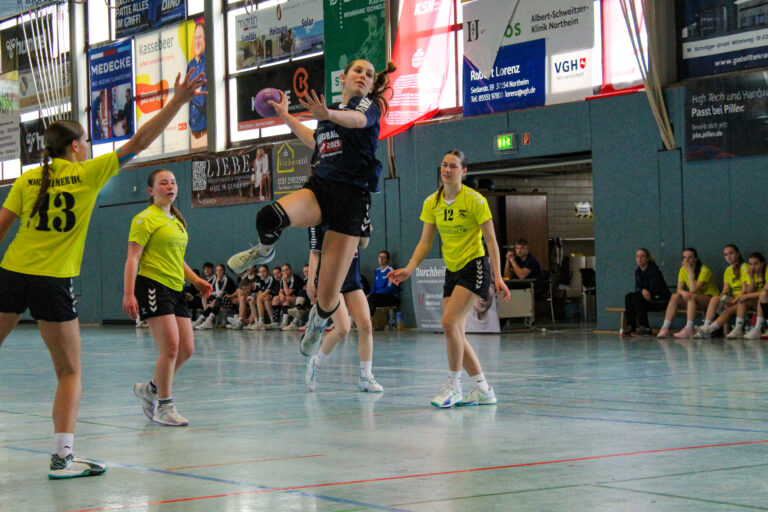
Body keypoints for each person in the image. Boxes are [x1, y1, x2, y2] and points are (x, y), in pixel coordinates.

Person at [0, 67, 205, 478]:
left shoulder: (26, 180)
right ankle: (62, 459)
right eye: (87, 142)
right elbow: (140, 141)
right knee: (69, 372)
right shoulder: (88, 173)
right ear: (76, 147)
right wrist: (178, 101)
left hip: (10, 274)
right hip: (52, 281)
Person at [227, 58, 396, 357]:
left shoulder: (366, 108)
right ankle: (264, 251)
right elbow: (315, 141)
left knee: (328, 297)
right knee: (268, 217)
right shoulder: (329, 112)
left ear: (372, 85)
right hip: (321, 188)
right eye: (358, 71)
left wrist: (327, 114)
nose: (363, 76)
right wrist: (284, 114)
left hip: (351, 201)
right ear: (343, 77)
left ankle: (318, 322)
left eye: (369, 74)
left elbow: (356, 122)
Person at [388, 149, 510, 408]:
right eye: (444, 165)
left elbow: (491, 241)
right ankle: (483, 389)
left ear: (463, 172)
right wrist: (409, 268)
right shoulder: (432, 202)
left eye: (453, 166)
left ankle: (454, 387)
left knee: (448, 323)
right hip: (451, 269)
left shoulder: (475, 201)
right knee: (456, 333)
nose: (447, 170)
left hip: (474, 266)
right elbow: (425, 242)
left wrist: (498, 277)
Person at [123, 169, 213, 426]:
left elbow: (176, 260)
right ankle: (164, 406)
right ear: (151, 190)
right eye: (163, 183)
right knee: (171, 347)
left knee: (186, 349)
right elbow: (133, 258)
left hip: (175, 288)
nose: (170, 186)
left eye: (173, 182)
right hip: (153, 285)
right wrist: (129, 293)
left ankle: (150, 389)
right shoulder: (144, 219)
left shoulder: (176, 220)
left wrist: (195, 281)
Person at [304, 225, 382, 392]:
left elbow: (364, 244)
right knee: (343, 329)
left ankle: (366, 377)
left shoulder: (355, 215)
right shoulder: (318, 220)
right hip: (331, 280)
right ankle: (316, 364)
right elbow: (315, 252)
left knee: (366, 326)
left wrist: (364, 229)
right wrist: (310, 282)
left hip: (352, 280)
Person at [657, 248, 719, 338]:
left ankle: (689, 328)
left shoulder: (704, 270)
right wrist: (683, 293)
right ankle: (665, 328)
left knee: (691, 296)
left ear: (695, 259)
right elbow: (679, 289)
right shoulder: (682, 270)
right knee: (675, 296)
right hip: (693, 299)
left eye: (689, 257)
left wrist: (690, 271)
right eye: (684, 257)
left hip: (709, 300)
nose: (686, 260)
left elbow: (693, 289)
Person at [696, 244, 750, 338]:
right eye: (725, 254)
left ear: (737, 254)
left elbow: (745, 290)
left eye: (731, 253)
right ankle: (705, 326)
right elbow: (725, 290)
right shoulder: (728, 270)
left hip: (744, 298)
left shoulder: (744, 267)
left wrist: (733, 301)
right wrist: (722, 300)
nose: (728, 256)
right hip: (734, 298)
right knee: (715, 299)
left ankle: (710, 329)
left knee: (727, 310)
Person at [622, 248, 670, 336]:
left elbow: (653, 291)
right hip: (645, 300)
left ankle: (645, 328)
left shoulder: (654, 271)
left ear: (647, 258)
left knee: (637, 297)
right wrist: (642, 290)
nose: (639, 259)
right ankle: (631, 326)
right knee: (629, 296)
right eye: (637, 256)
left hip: (660, 300)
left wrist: (643, 292)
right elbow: (637, 288)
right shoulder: (638, 271)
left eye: (642, 256)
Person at [734, 253, 767, 339]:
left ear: (762, 264)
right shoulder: (752, 274)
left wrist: (747, 296)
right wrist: (752, 278)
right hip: (761, 302)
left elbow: (765, 291)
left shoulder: (767, 271)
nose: (753, 267)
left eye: (756, 264)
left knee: (762, 296)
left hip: (764, 300)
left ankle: (758, 328)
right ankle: (738, 329)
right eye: (750, 264)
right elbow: (749, 291)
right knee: (742, 300)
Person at [194, 264, 236, 330]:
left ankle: (207, 321)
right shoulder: (218, 279)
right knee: (213, 301)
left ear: (224, 271)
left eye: (220, 270)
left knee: (216, 300)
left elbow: (219, 294)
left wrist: (216, 282)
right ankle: (201, 321)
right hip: (220, 299)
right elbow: (215, 292)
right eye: (217, 270)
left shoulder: (226, 279)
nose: (219, 272)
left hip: (231, 300)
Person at [188, 22, 207, 147]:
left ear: (205, 40)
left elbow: (202, 100)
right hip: (192, 135)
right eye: (196, 38)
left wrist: (190, 93)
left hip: (206, 134)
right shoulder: (190, 65)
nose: (197, 41)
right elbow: (186, 95)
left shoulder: (208, 62)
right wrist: (194, 92)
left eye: (200, 37)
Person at [367, 250, 399, 316]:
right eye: (380, 257)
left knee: (373, 298)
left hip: (391, 297)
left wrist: (376, 295)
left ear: (387, 260)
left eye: (383, 258)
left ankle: (370, 317)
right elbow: (374, 287)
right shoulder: (377, 271)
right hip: (377, 297)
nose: (381, 259)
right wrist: (369, 295)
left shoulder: (391, 271)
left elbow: (389, 288)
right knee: (367, 298)